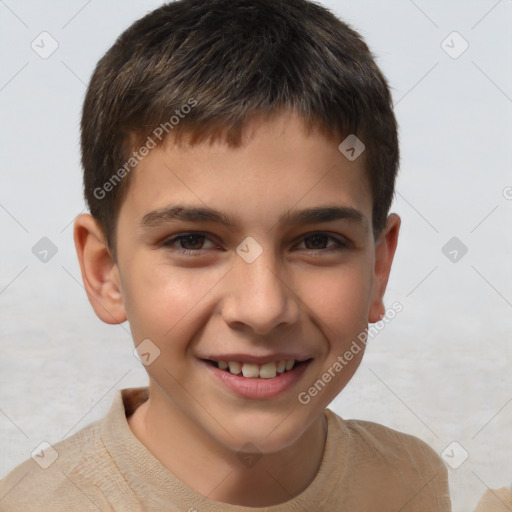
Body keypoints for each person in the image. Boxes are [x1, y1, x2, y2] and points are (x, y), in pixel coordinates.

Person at [0, 0, 453, 509]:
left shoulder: (412, 481)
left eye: (318, 241)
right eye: (191, 241)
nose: (262, 309)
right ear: (106, 273)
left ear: (377, 269)